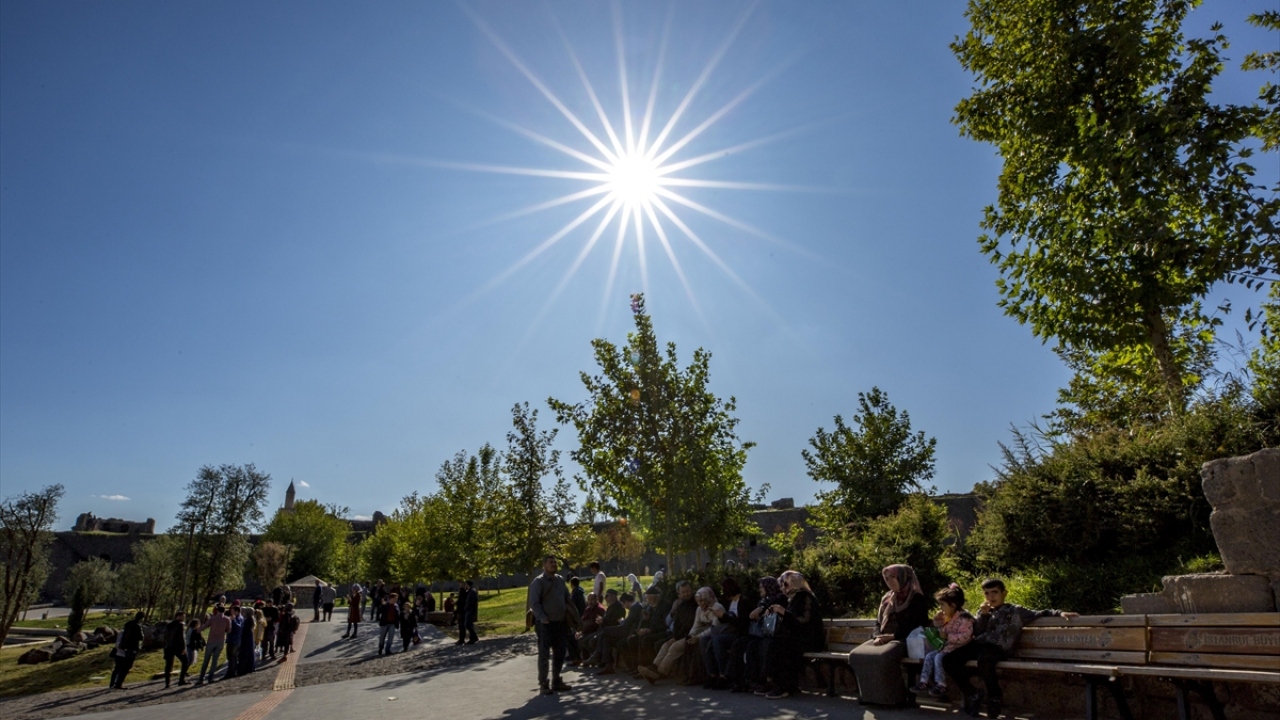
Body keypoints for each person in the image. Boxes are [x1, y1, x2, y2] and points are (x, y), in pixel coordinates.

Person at [943, 578, 1079, 718]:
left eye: (995, 592)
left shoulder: (1015, 611)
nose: (991, 597)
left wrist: (1060, 613)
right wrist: (984, 615)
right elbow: (977, 632)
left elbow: (1040, 613)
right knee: (948, 660)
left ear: (1004, 593)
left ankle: (994, 696)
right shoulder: (984, 611)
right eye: (987, 593)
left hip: (998, 648)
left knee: (985, 660)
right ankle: (972, 692)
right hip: (979, 645)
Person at [848, 564, 929, 706]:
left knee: (882, 657)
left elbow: (916, 625)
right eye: (886, 578)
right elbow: (878, 623)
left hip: (904, 640)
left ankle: (895, 698)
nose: (889, 581)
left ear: (903, 577)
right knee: (856, 655)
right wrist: (877, 636)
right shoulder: (887, 598)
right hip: (884, 638)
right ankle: (870, 696)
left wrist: (891, 637)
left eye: (893, 577)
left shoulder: (916, 598)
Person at [760, 570, 823, 699]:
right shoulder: (792, 598)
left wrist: (783, 612)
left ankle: (784, 686)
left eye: (785, 584)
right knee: (773, 642)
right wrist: (777, 613)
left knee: (781, 645)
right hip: (798, 638)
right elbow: (792, 623)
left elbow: (804, 622)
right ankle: (774, 682)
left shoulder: (805, 597)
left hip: (810, 639)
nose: (783, 588)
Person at [915, 584, 975, 699]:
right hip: (947, 647)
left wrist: (948, 637)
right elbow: (940, 628)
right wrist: (937, 620)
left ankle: (941, 684)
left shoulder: (964, 619)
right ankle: (924, 681)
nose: (941, 608)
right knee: (929, 656)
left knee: (938, 658)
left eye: (942, 605)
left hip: (958, 649)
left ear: (953, 605)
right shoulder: (948, 617)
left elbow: (966, 636)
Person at [730, 576, 787, 693]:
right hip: (761, 633)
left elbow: (773, 606)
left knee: (758, 646)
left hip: (775, 635)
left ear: (768, 587)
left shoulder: (780, 598)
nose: (759, 589)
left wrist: (762, 608)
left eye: (762, 587)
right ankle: (742, 680)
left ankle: (765, 681)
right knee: (740, 644)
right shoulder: (762, 601)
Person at [528, 555, 574, 695]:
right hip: (545, 624)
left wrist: (571, 614)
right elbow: (534, 603)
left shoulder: (560, 580)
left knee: (560, 652)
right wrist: (543, 618)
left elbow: (567, 597)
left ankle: (556, 680)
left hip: (560, 623)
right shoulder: (538, 582)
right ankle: (543, 683)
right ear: (544, 565)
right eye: (550, 562)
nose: (554, 564)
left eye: (555, 562)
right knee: (544, 654)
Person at [637, 581, 700, 683]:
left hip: (691, 635)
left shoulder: (696, 604)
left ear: (691, 590)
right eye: (683, 592)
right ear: (679, 593)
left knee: (674, 647)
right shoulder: (681, 605)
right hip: (680, 635)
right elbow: (677, 623)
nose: (686, 594)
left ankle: (659, 673)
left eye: (687, 591)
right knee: (665, 646)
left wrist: (678, 636)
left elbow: (690, 624)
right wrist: (676, 636)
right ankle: (654, 667)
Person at [704, 576, 748, 688]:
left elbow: (742, 623)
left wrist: (724, 616)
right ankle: (712, 674)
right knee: (705, 640)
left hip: (739, 634)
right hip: (729, 631)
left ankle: (724, 674)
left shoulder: (743, 601)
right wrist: (719, 616)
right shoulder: (730, 602)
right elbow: (728, 620)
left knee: (717, 640)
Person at [110, 611, 145, 690]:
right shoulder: (138, 625)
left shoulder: (128, 623)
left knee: (121, 666)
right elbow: (141, 637)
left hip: (124, 647)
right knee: (127, 666)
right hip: (132, 647)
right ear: (141, 618)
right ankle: (119, 683)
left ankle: (115, 683)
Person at [197, 605, 229, 684]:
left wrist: (197, 629)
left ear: (217, 610)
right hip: (220, 641)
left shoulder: (213, 619)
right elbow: (228, 630)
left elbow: (204, 627)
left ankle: (201, 678)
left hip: (211, 640)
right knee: (215, 660)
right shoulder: (227, 619)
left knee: (206, 660)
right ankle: (210, 678)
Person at [163, 610, 190, 687]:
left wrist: (164, 647)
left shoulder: (168, 625)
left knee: (168, 665)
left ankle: (167, 683)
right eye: (183, 616)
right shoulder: (180, 624)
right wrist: (184, 648)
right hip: (177, 647)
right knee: (185, 662)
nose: (184, 618)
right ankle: (181, 680)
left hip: (168, 647)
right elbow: (182, 637)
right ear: (179, 616)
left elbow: (165, 637)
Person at [225, 602, 244, 679]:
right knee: (231, 657)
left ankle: (231, 672)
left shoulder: (238, 618)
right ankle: (232, 671)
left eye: (232, 611)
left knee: (232, 657)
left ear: (237, 611)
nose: (231, 612)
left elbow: (238, 627)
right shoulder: (236, 617)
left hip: (234, 640)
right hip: (232, 639)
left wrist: (233, 620)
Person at [456, 580, 478, 645]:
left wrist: (468, 607)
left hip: (468, 610)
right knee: (467, 624)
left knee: (467, 624)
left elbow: (473, 601)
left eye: (464, 584)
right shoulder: (468, 592)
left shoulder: (471, 592)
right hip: (467, 610)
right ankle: (472, 638)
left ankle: (473, 637)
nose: (463, 585)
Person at [238, 607, 257, 674]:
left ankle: (245, 668)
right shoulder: (251, 619)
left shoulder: (248, 620)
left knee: (246, 653)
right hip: (249, 637)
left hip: (246, 638)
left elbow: (244, 630)